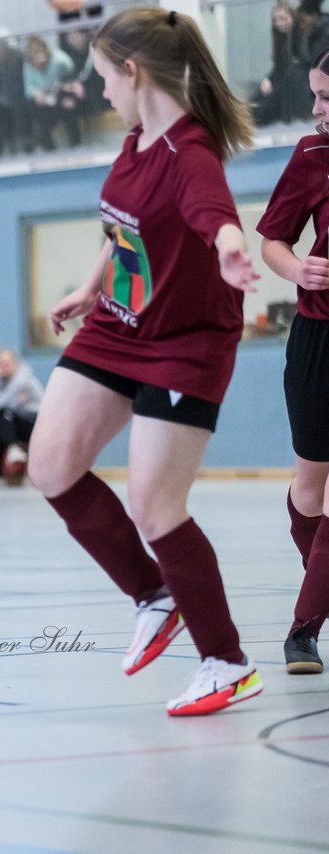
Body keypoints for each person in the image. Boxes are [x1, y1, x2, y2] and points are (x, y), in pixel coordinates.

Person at [28, 8, 263, 716]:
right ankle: (154, 596)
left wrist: (226, 244)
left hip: (185, 341)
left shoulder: (191, 153)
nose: (101, 93)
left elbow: (209, 209)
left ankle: (226, 661)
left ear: (133, 72)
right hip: (117, 324)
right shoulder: (135, 139)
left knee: (156, 505)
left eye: (104, 78)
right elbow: (122, 226)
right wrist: (90, 283)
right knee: (50, 464)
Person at [255, 45, 329, 674]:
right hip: (315, 338)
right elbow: (273, 240)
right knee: (310, 490)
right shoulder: (311, 155)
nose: (317, 109)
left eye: (327, 97)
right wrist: (298, 266)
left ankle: (302, 631)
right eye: (315, 95)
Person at [0, 348, 43, 487]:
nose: (4, 367)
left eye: (7, 363)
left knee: (3, 414)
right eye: (0, 364)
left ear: (15, 363)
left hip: (32, 422)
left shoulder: (23, 380)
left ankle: (13, 448)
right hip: (13, 422)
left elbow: (2, 403)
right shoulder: (1, 381)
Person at [23, 34, 82, 151]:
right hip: (45, 103)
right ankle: (50, 150)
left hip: (62, 96)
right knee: (36, 113)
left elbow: (72, 76)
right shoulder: (28, 65)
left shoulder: (59, 60)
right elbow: (28, 89)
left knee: (68, 106)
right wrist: (37, 94)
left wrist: (67, 88)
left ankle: (77, 145)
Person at [251, 4, 301, 127]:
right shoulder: (281, 39)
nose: (279, 23)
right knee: (257, 96)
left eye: (283, 18)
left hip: (294, 85)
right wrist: (267, 79)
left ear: (292, 17)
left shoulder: (301, 38)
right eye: (276, 20)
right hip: (281, 79)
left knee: (264, 107)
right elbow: (279, 67)